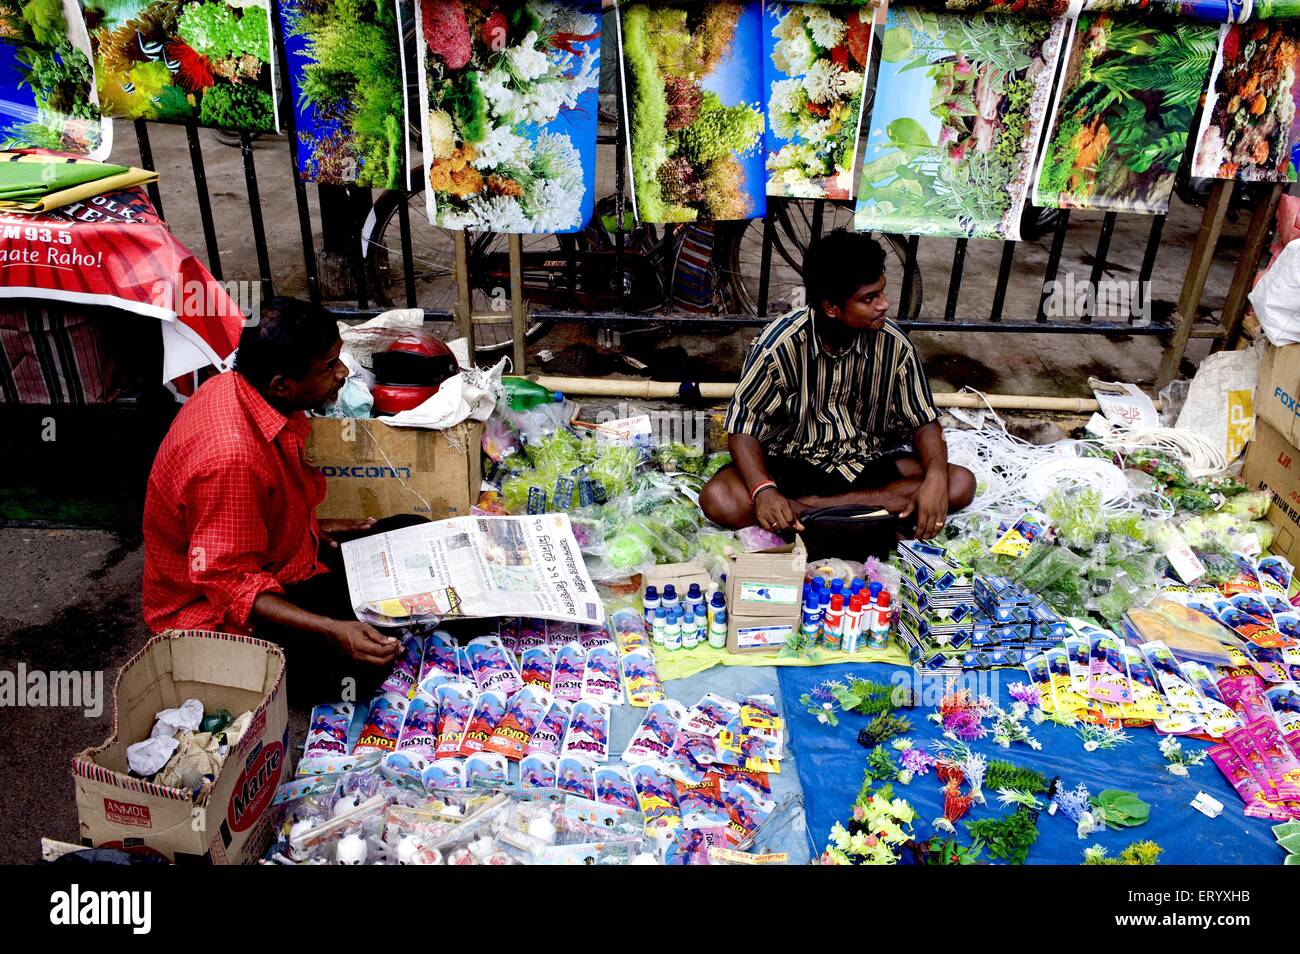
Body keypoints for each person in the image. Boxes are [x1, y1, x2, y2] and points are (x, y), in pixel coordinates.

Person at [142, 297, 411, 699]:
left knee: (408, 532)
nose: (342, 374)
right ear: (282, 383)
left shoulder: (245, 388)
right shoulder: (230, 458)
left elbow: (251, 511)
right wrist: (332, 629)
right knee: (360, 669)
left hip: (277, 559)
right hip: (217, 614)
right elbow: (232, 584)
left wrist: (307, 526)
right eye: (329, 367)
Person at [700, 229, 974, 541]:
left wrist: (936, 478)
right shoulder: (778, 346)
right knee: (720, 497)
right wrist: (764, 491)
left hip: (865, 464)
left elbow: (924, 422)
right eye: (869, 298)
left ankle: (814, 512)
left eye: (882, 292)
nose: (884, 305)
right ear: (832, 307)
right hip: (792, 464)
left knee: (958, 483)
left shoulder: (894, 345)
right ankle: (865, 511)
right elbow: (743, 428)